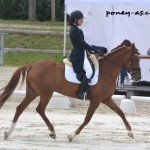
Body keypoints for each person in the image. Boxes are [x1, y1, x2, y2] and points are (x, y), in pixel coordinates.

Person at [69, 10, 105, 100]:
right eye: (81, 19)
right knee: (89, 72)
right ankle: (82, 93)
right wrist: (94, 49)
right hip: (79, 55)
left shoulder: (76, 30)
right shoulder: (75, 31)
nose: (82, 21)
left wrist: (96, 48)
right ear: (76, 20)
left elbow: (83, 43)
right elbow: (82, 43)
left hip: (82, 53)